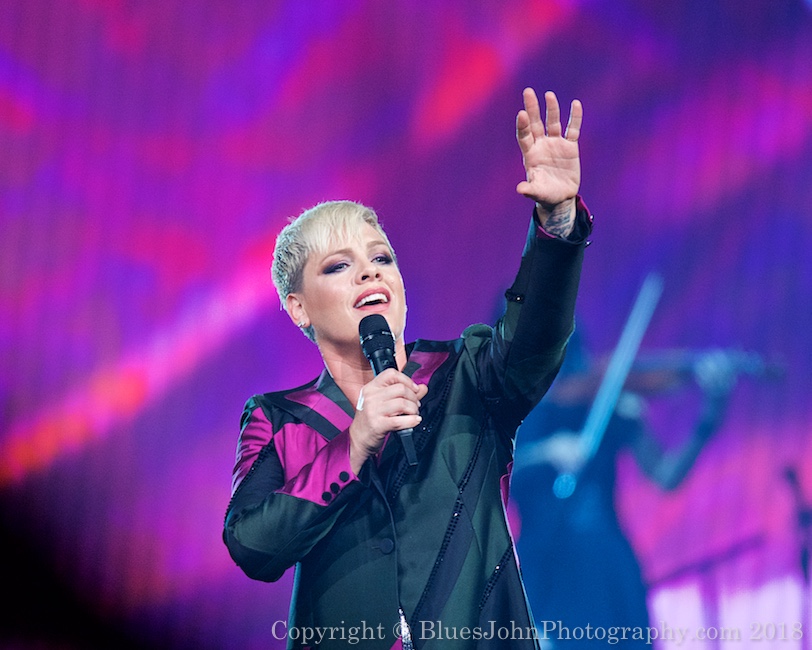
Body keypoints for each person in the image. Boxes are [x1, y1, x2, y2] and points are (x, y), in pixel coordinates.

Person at [223, 87, 593, 650]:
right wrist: (354, 443)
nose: (369, 274)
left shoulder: (465, 372)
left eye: (381, 259)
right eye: (339, 266)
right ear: (298, 307)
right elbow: (253, 544)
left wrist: (557, 224)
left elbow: (536, 340)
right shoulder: (279, 420)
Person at [509, 329, 739, 648]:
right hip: (545, 564)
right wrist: (546, 452)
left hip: (606, 562)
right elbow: (486, 473)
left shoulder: (611, 403)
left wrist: (708, 419)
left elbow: (666, 477)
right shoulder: (511, 412)